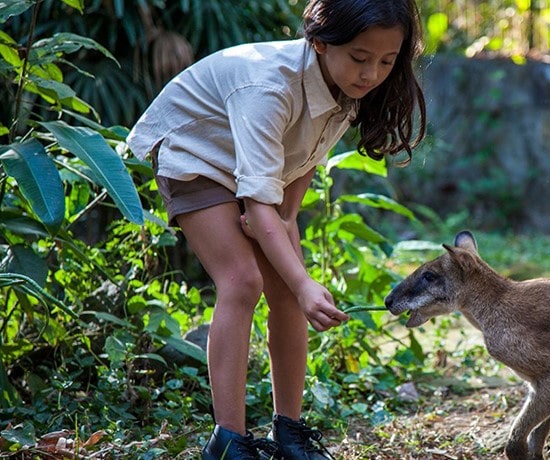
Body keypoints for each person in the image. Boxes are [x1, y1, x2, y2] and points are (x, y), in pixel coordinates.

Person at [126, 0, 427, 458]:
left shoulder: (345, 88)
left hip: (257, 174)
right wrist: (304, 278)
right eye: (361, 58)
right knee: (242, 281)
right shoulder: (269, 87)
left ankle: (289, 433)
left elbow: (293, 179)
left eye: (387, 61)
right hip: (197, 154)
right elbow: (257, 204)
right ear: (320, 43)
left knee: (287, 292)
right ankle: (228, 442)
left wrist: (294, 261)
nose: (371, 75)